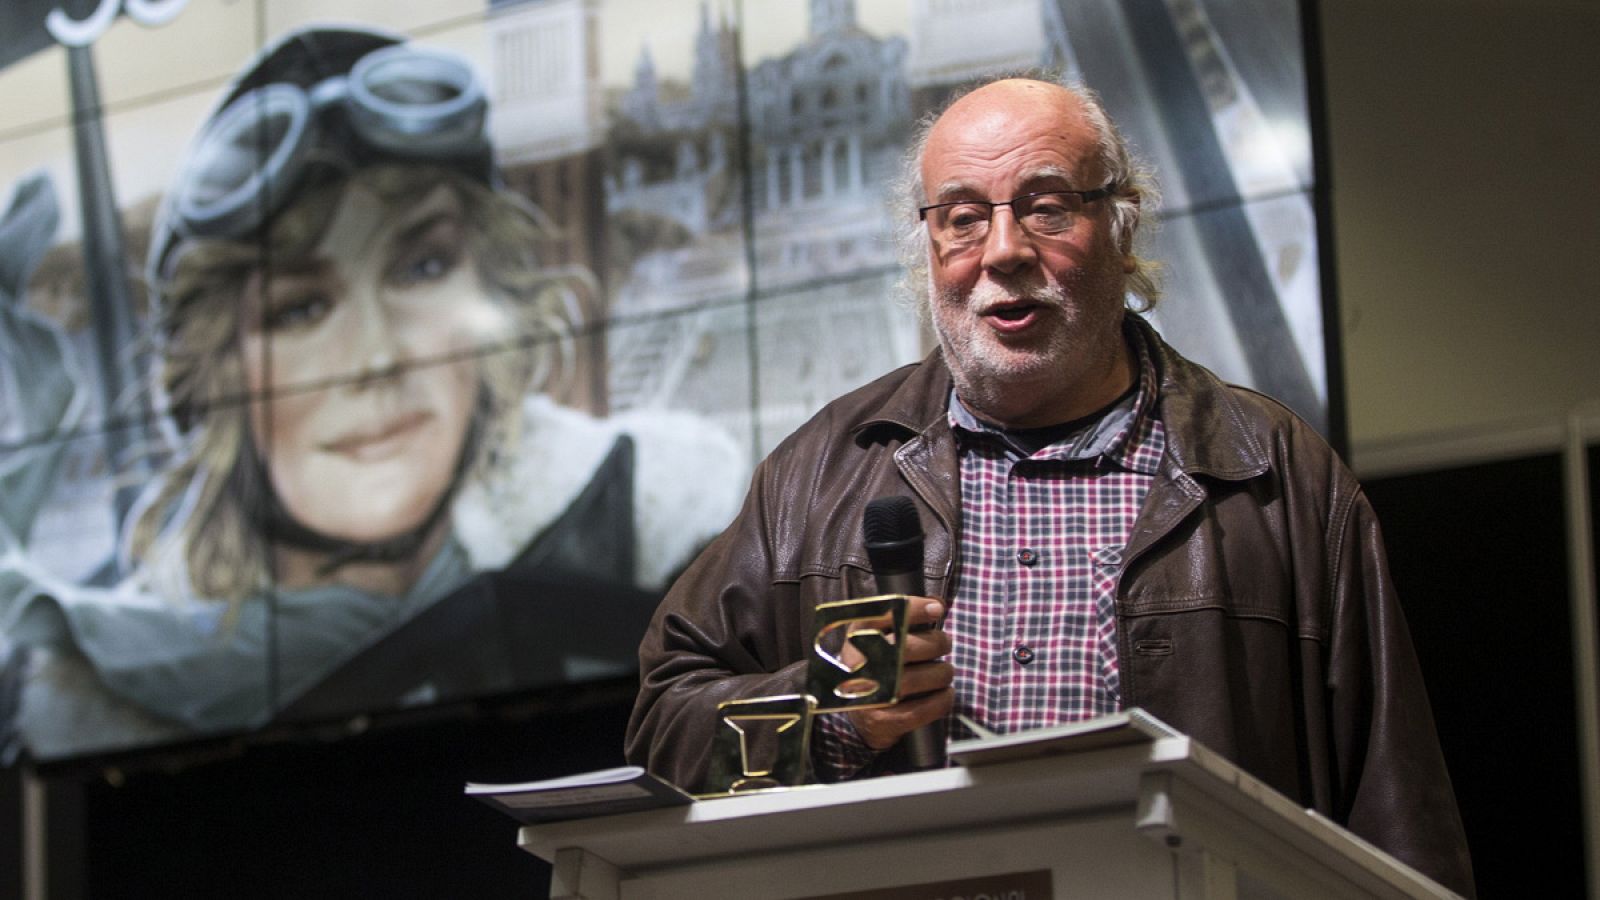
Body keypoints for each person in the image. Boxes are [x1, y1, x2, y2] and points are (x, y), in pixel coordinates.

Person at [625, 76, 1475, 897]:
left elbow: (1395, 811)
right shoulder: (817, 472)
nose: (1003, 251)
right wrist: (825, 710)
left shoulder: (1276, 474)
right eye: (963, 219)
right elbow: (665, 732)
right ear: (928, 251)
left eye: (1047, 207)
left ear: (1121, 227)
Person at [0, 27, 745, 761]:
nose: (378, 357)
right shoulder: (100, 680)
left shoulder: (665, 520)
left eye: (420, 267)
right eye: (300, 308)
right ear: (216, 377)